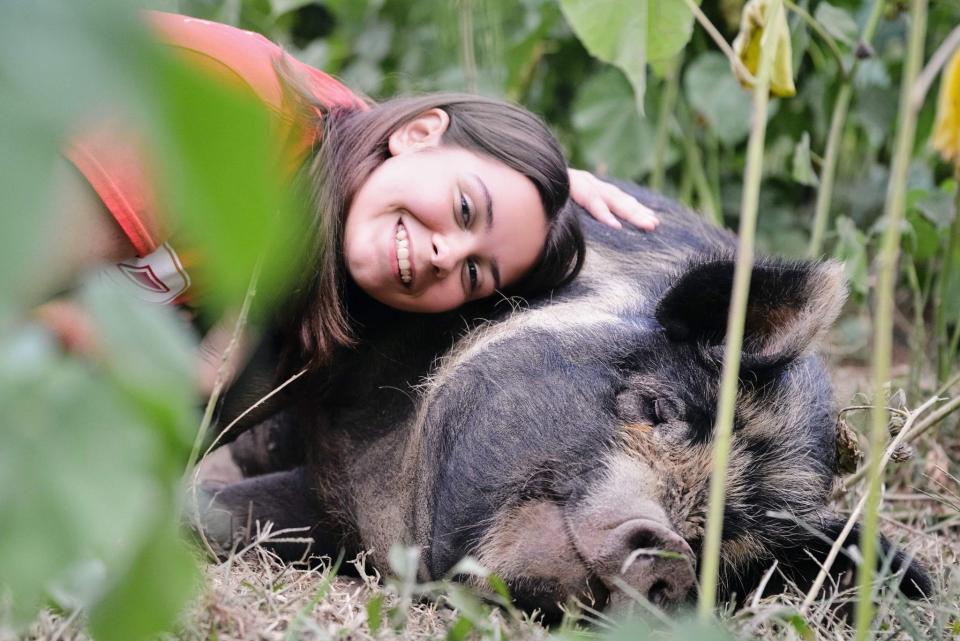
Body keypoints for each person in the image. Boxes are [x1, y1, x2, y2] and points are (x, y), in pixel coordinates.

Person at [39, 11, 659, 388]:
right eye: (466, 210)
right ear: (417, 134)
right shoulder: (241, 109)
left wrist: (539, 188)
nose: (447, 254)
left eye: (475, 272)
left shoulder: (340, 159)